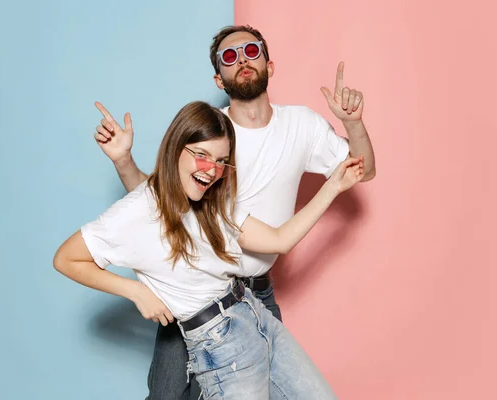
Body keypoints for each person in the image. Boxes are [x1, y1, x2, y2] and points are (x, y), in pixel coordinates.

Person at [93, 25, 376, 399]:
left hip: (256, 297)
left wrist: (352, 124)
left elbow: (362, 170)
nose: (242, 58)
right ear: (219, 78)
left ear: (269, 65)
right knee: (168, 395)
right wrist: (125, 161)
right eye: (229, 56)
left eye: (251, 50)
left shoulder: (302, 126)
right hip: (199, 294)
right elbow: (163, 202)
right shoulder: (212, 135)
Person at [55, 101, 364, 399]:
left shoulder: (211, 205)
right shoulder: (137, 210)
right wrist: (135, 291)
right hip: (220, 346)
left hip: (257, 319)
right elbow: (66, 258)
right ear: (176, 148)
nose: (211, 170)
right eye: (201, 155)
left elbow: (279, 240)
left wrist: (333, 186)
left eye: (220, 161)